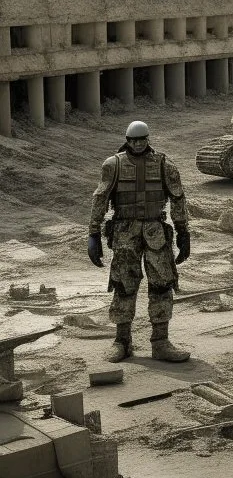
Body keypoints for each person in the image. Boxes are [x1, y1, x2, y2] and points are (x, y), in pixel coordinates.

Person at [89, 121, 191, 363]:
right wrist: (93, 233)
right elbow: (100, 198)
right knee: (123, 285)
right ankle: (122, 341)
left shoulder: (165, 165)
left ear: (148, 139)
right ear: (127, 140)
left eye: (142, 139)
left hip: (156, 231)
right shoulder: (113, 165)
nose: (137, 144)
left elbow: (178, 199)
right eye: (133, 140)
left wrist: (183, 232)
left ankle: (161, 342)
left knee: (162, 285)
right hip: (125, 233)